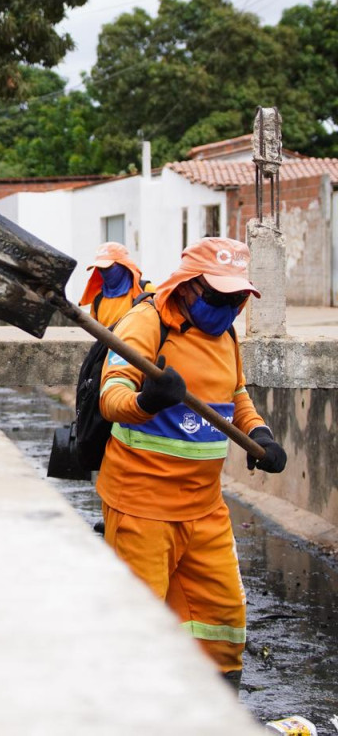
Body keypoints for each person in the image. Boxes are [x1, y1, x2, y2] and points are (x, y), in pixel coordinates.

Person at [96, 237, 287, 690]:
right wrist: (146, 401)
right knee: (139, 624)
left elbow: (236, 394)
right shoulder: (147, 322)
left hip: (204, 508)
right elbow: (111, 396)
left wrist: (259, 434)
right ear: (188, 285)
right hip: (141, 506)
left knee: (221, 620)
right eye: (218, 296)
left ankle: (215, 703)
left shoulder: (228, 335)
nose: (228, 307)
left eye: (236, 298)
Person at [78, 241, 155, 328]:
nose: (104, 272)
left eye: (108, 268)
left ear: (123, 266)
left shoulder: (145, 291)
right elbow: (95, 330)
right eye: (100, 269)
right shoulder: (98, 298)